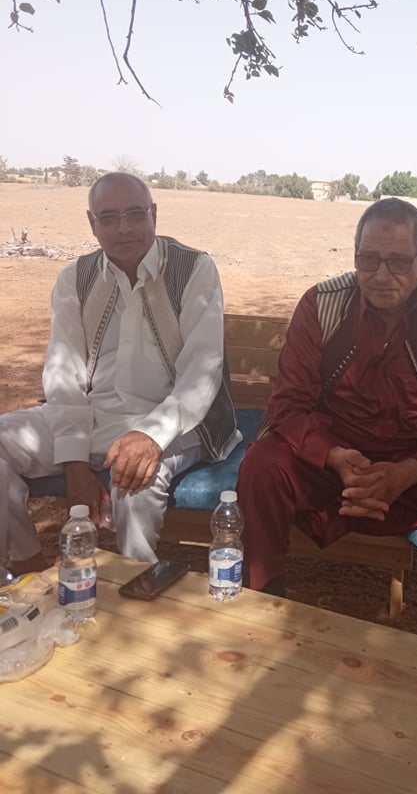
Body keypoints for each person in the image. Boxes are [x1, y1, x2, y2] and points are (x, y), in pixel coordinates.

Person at [237, 197, 417, 643]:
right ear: (355, 256)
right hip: (334, 463)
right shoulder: (321, 304)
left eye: (398, 261)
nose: (382, 276)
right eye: (369, 259)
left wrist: (406, 472)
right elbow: (288, 404)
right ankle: (266, 596)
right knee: (262, 466)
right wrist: (335, 457)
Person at [0, 172, 239, 575]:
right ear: (92, 223)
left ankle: (134, 584)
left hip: (173, 420)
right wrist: (74, 460)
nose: (124, 228)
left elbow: (202, 372)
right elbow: (63, 374)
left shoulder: (193, 269)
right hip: (93, 416)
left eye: (135, 214)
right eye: (109, 218)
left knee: (134, 483)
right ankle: (26, 565)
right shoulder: (75, 278)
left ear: (154, 214)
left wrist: (151, 436)